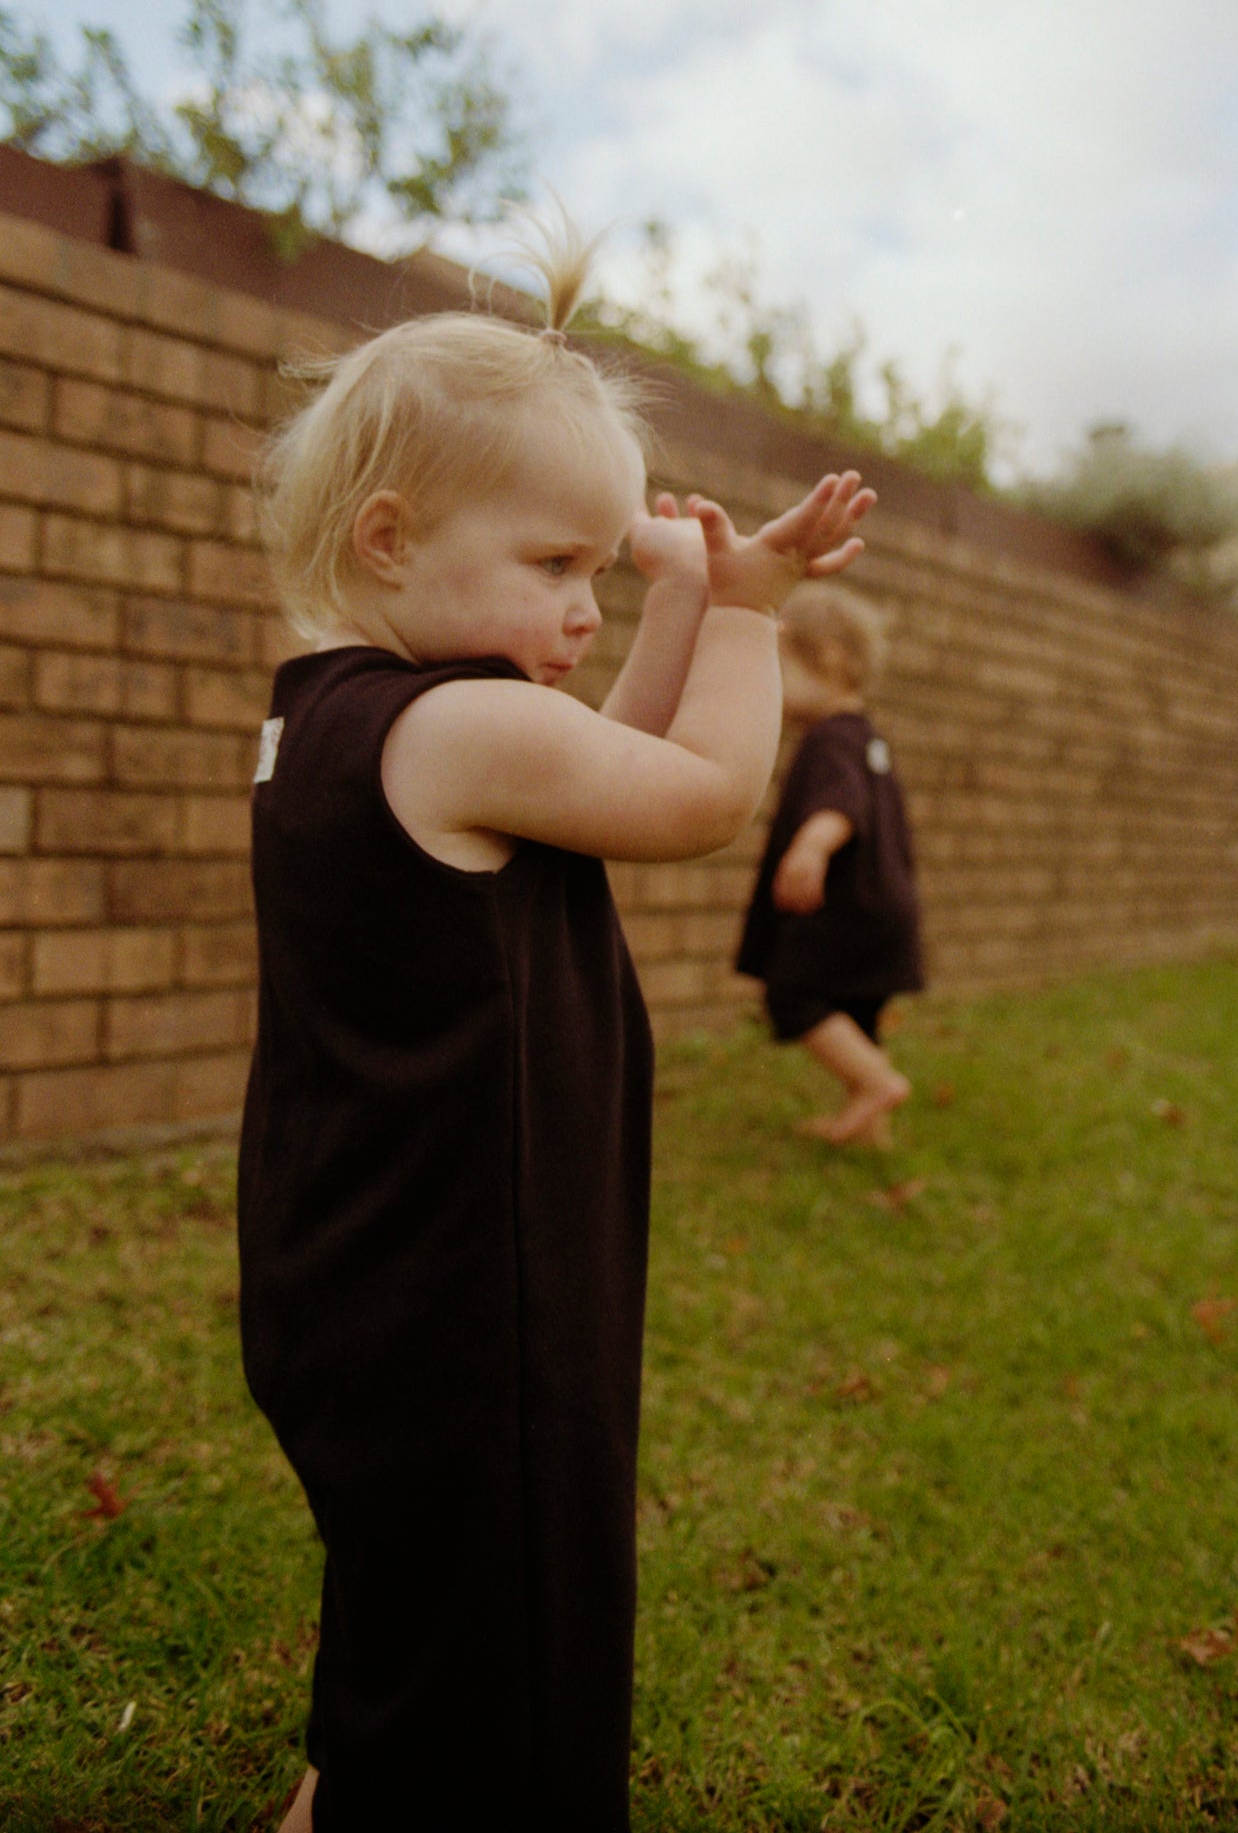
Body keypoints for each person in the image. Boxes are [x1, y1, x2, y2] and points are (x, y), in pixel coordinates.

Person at [237, 215, 875, 1833]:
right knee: (502, 1642)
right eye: (553, 566)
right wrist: (749, 607)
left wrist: (677, 606)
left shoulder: (342, 715)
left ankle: (349, 1776)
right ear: (390, 538)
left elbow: (597, 756)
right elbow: (701, 791)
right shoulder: (454, 731)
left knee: (420, 1594)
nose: (585, 606)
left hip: (363, 1266)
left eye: (599, 570)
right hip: (470, 1294)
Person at [736, 584, 924, 1148]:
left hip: (843, 907)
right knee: (857, 1015)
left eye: (779, 666)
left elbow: (842, 804)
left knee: (791, 996)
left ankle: (875, 1085)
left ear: (830, 661)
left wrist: (812, 846)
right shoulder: (867, 738)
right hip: (882, 909)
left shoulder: (830, 741)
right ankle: (874, 1132)